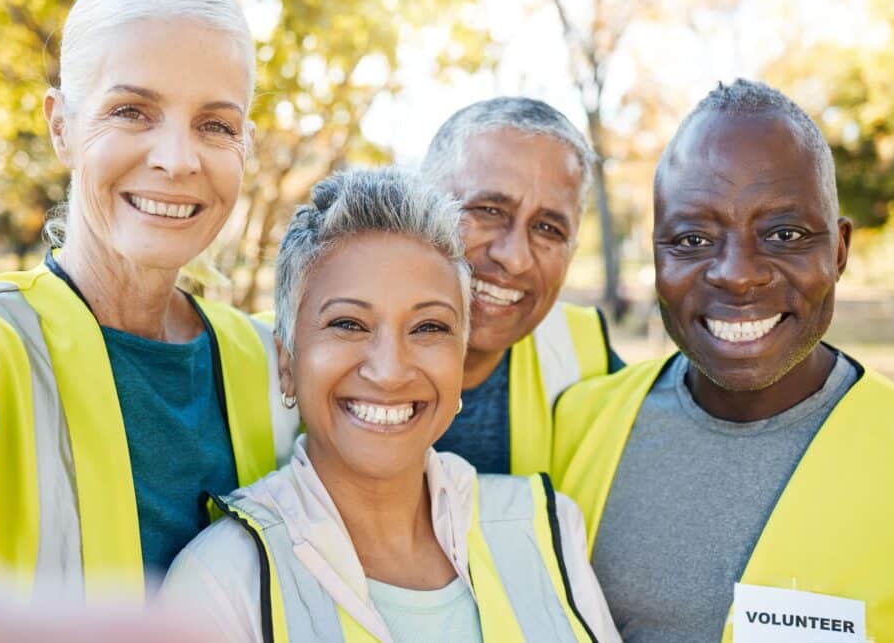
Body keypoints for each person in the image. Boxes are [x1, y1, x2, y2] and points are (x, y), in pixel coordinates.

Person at [0, 0, 297, 601]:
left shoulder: (271, 364)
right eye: (131, 111)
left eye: (216, 125)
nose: (177, 159)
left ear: (247, 145)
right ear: (61, 126)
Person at [162, 168, 620, 642]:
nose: (390, 371)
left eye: (428, 328)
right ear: (287, 360)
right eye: (348, 324)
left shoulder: (546, 527)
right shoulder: (221, 581)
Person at [552, 79, 894, 641]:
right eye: (693, 240)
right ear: (655, 254)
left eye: (785, 233)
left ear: (839, 250)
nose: (738, 274)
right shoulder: (576, 427)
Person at [421, 97, 623, 476]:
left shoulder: (590, 362)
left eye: (548, 228)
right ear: (417, 206)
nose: (514, 258)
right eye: (488, 211)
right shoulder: (287, 353)